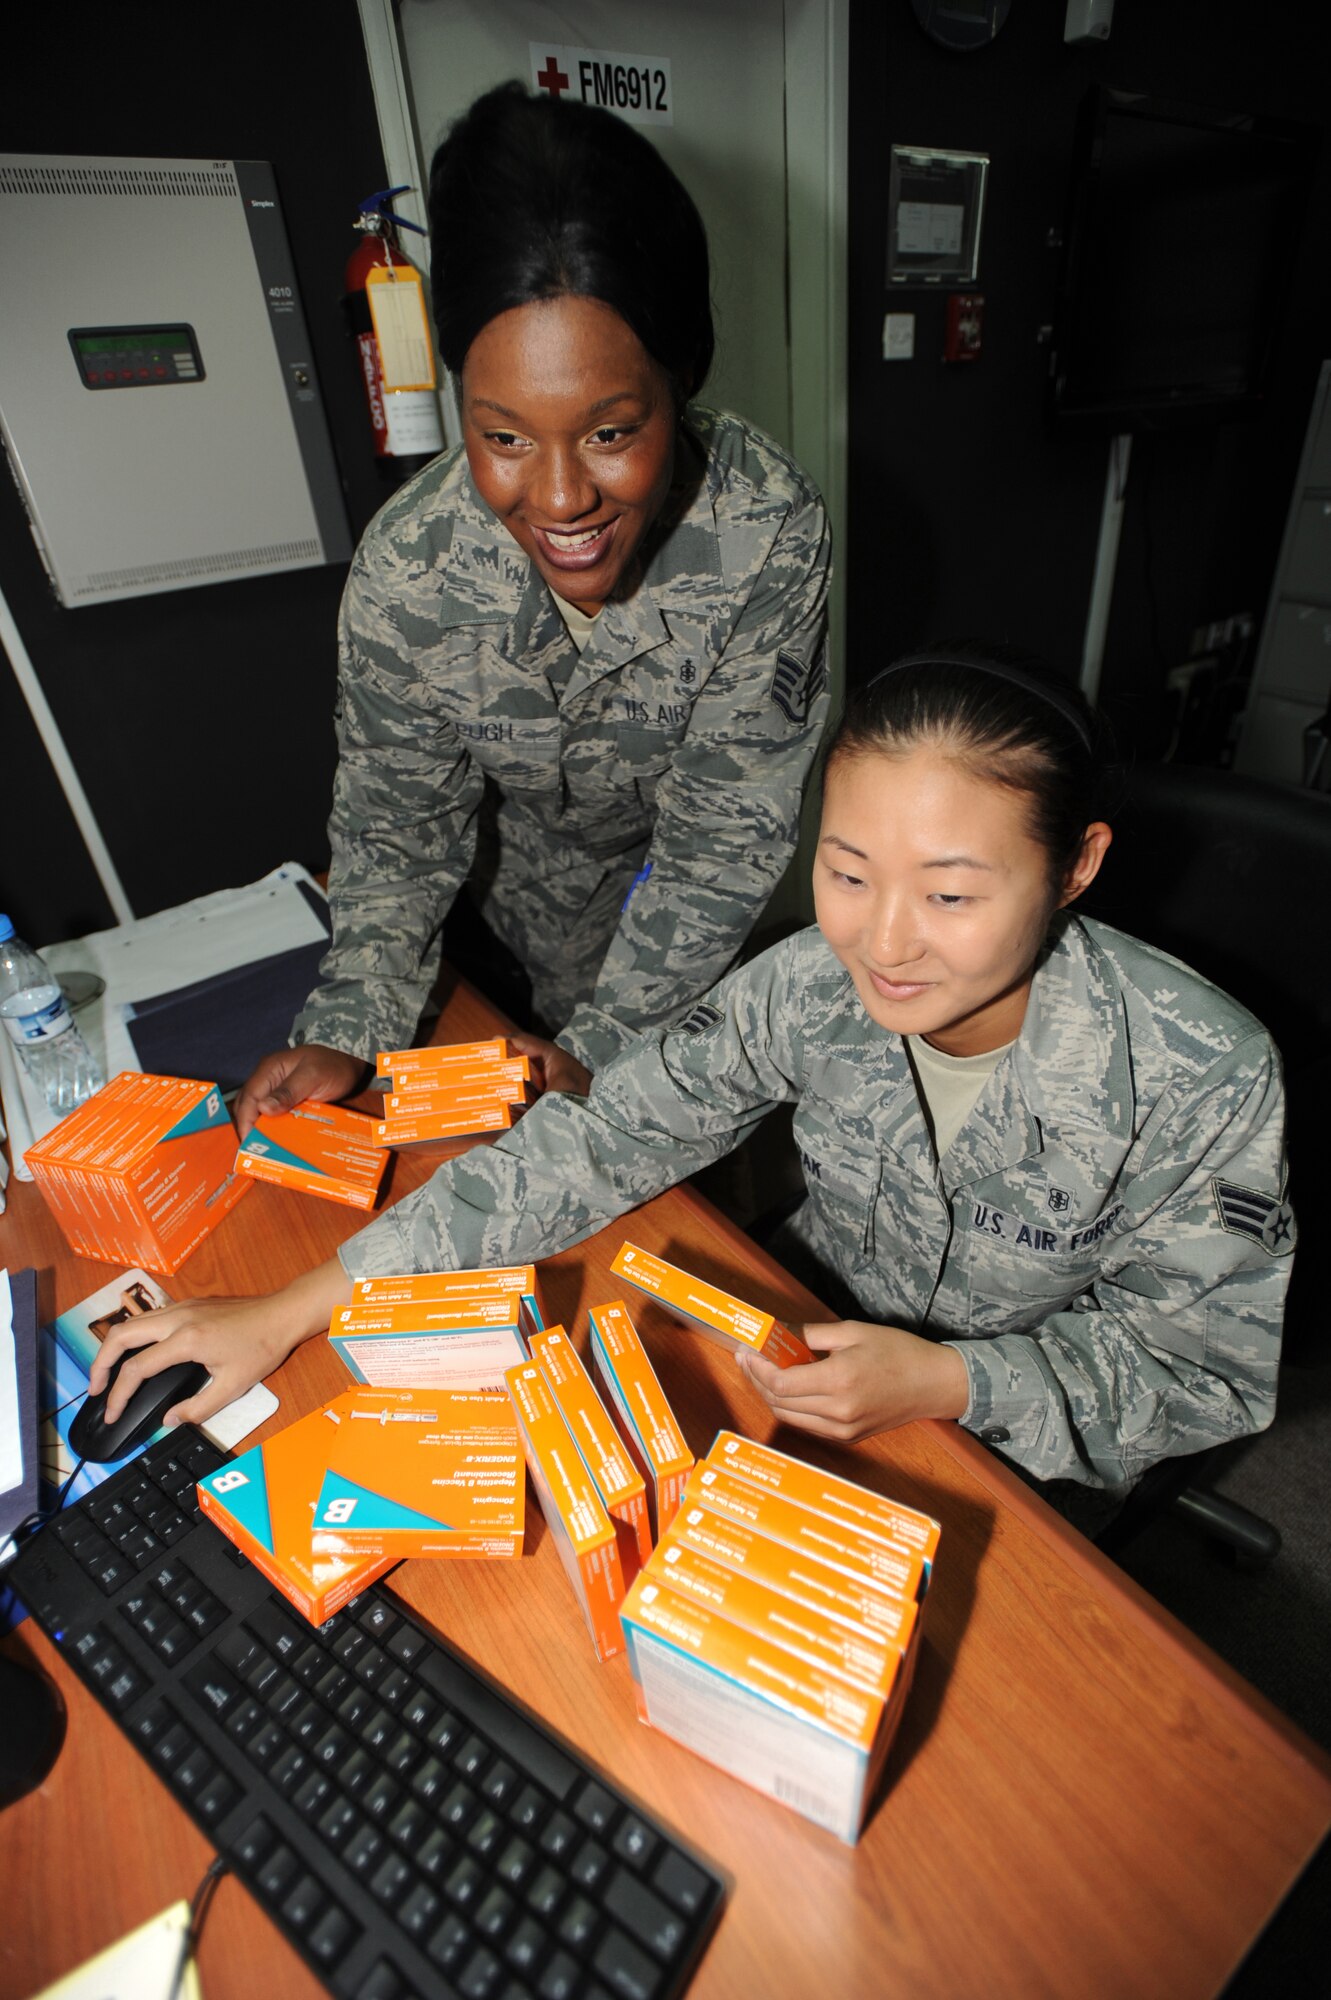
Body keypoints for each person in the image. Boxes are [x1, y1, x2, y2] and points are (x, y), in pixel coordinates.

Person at [92, 646, 1293, 1511]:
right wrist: (294, 1306)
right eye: (847, 872)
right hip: (793, 1346)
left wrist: (952, 1379)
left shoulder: (1204, 1074)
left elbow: (1199, 1381)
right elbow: (604, 1136)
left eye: (948, 893)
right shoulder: (808, 983)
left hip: (1020, 1449)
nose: (881, 941)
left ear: (1074, 867)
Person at [234, 81, 830, 1131]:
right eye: (503, 437)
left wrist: (605, 1049)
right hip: (500, 929)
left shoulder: (764, 534)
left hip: (682, 957)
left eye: (610, 432)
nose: (558, 500)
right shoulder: (408, 569)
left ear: (681, 378)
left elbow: (718, 845)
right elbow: (396, 826)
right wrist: (348, 1026)